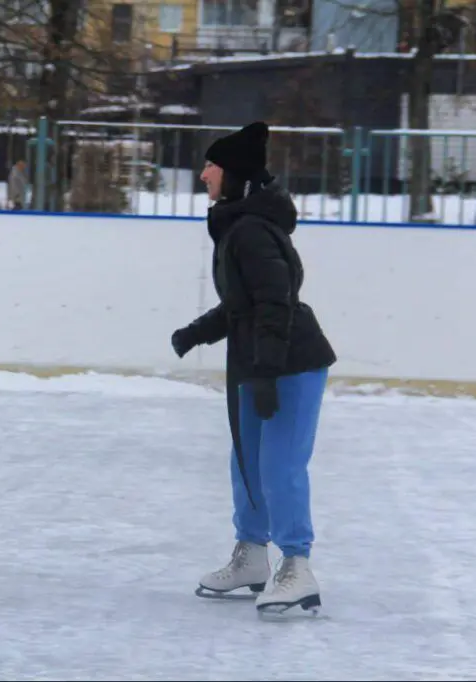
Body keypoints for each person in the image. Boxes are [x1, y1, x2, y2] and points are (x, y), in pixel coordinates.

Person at [170, 121, 336, 616]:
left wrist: (266, 372)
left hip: (289, 362)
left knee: (280, 467)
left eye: (210, 166)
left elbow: (273, 303)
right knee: (246, 464)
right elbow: (242, 305)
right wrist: (198, 331)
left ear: (234, 173)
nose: (202, 175)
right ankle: (252, 556)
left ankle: (297, 567)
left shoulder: (252, 232)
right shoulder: (239, 225)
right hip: (258, 360)